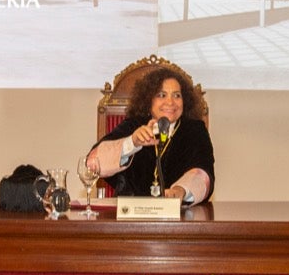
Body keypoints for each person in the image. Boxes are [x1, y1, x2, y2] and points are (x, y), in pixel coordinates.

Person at [87, 65, 213, 203]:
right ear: (148, 100)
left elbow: (203, 173)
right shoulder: (133, 125)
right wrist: (132, 143)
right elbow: (93, 163)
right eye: (161, 95)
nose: (170, 102)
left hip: (178, 216)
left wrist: (181, 190)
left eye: (177, 95)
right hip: (130, 216)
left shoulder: (195, 130)